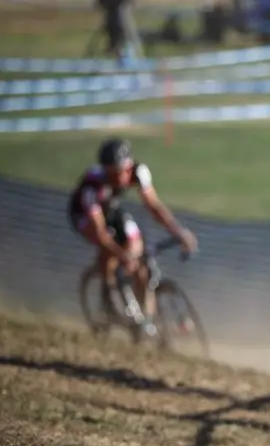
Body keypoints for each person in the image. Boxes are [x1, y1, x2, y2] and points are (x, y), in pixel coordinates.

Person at [67, 138, 197, 336]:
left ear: (129, 167)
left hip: (111, 209)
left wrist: (179, 232)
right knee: (109, 253)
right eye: (112, 174)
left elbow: (154, 207)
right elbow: (101, 233)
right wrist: (120, 255)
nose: (118, 179)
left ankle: (143, 318)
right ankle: (108, 295)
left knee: (136, 252)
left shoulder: (139, 172)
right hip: (85, 216)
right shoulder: (92, 188)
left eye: (121, 172)